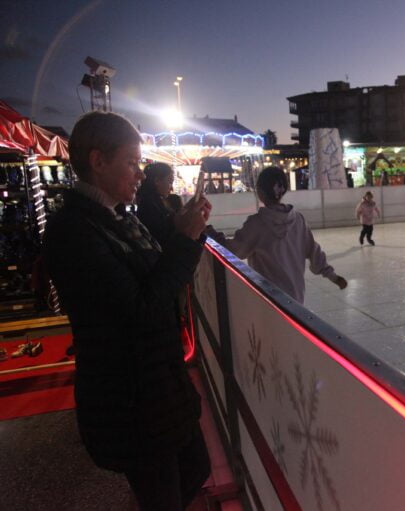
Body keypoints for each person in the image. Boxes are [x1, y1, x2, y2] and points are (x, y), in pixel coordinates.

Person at [42, 111, 212, 511]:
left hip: (157, 385)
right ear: (98, 161)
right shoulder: (74, 231)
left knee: (194, 470)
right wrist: (185, 242)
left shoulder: (115, 218)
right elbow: (140, 308)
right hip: (129, 398)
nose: (141, 173)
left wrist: (180, 230)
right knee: (164, 495)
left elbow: (147, 273)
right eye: (132, 163)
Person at [213, 166, 347, 304]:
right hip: (295, 296)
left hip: (269, 300)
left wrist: (213, 236)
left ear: (260, 192)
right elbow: (314, 251)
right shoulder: (298, 220)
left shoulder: (256, 224)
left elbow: (236, 250)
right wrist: (332, 276)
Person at [136, 162, 179, 246]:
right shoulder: (149, 207)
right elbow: (163, 238)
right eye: (170, 182)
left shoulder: (153, 202)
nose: (172, 188)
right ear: (157, 181)